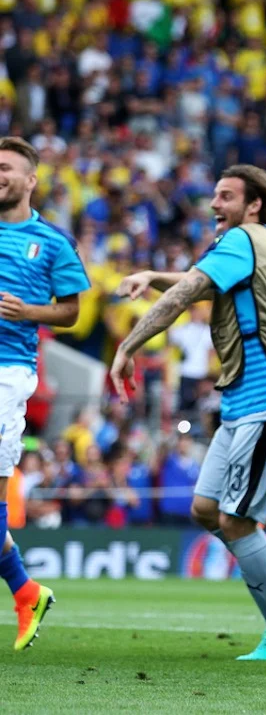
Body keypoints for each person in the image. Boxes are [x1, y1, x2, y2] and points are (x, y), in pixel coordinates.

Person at [111, 165, 266, 661]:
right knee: (206, 509)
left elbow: (184, 295)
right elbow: (196, 282)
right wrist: (152, 276)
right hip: (241, 402)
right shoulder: (256, 243)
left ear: (253, 205)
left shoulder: (243, 239)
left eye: (225, 196)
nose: (213, 204)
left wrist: (128, 346)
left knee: (237, 520)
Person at [0, 136, 89, 651]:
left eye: (6, 168)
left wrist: (28, 311)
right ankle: (26, 591)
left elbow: (72, 311)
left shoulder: (52, 241)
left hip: (7, 372)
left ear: (30, 180)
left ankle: (25, 591)